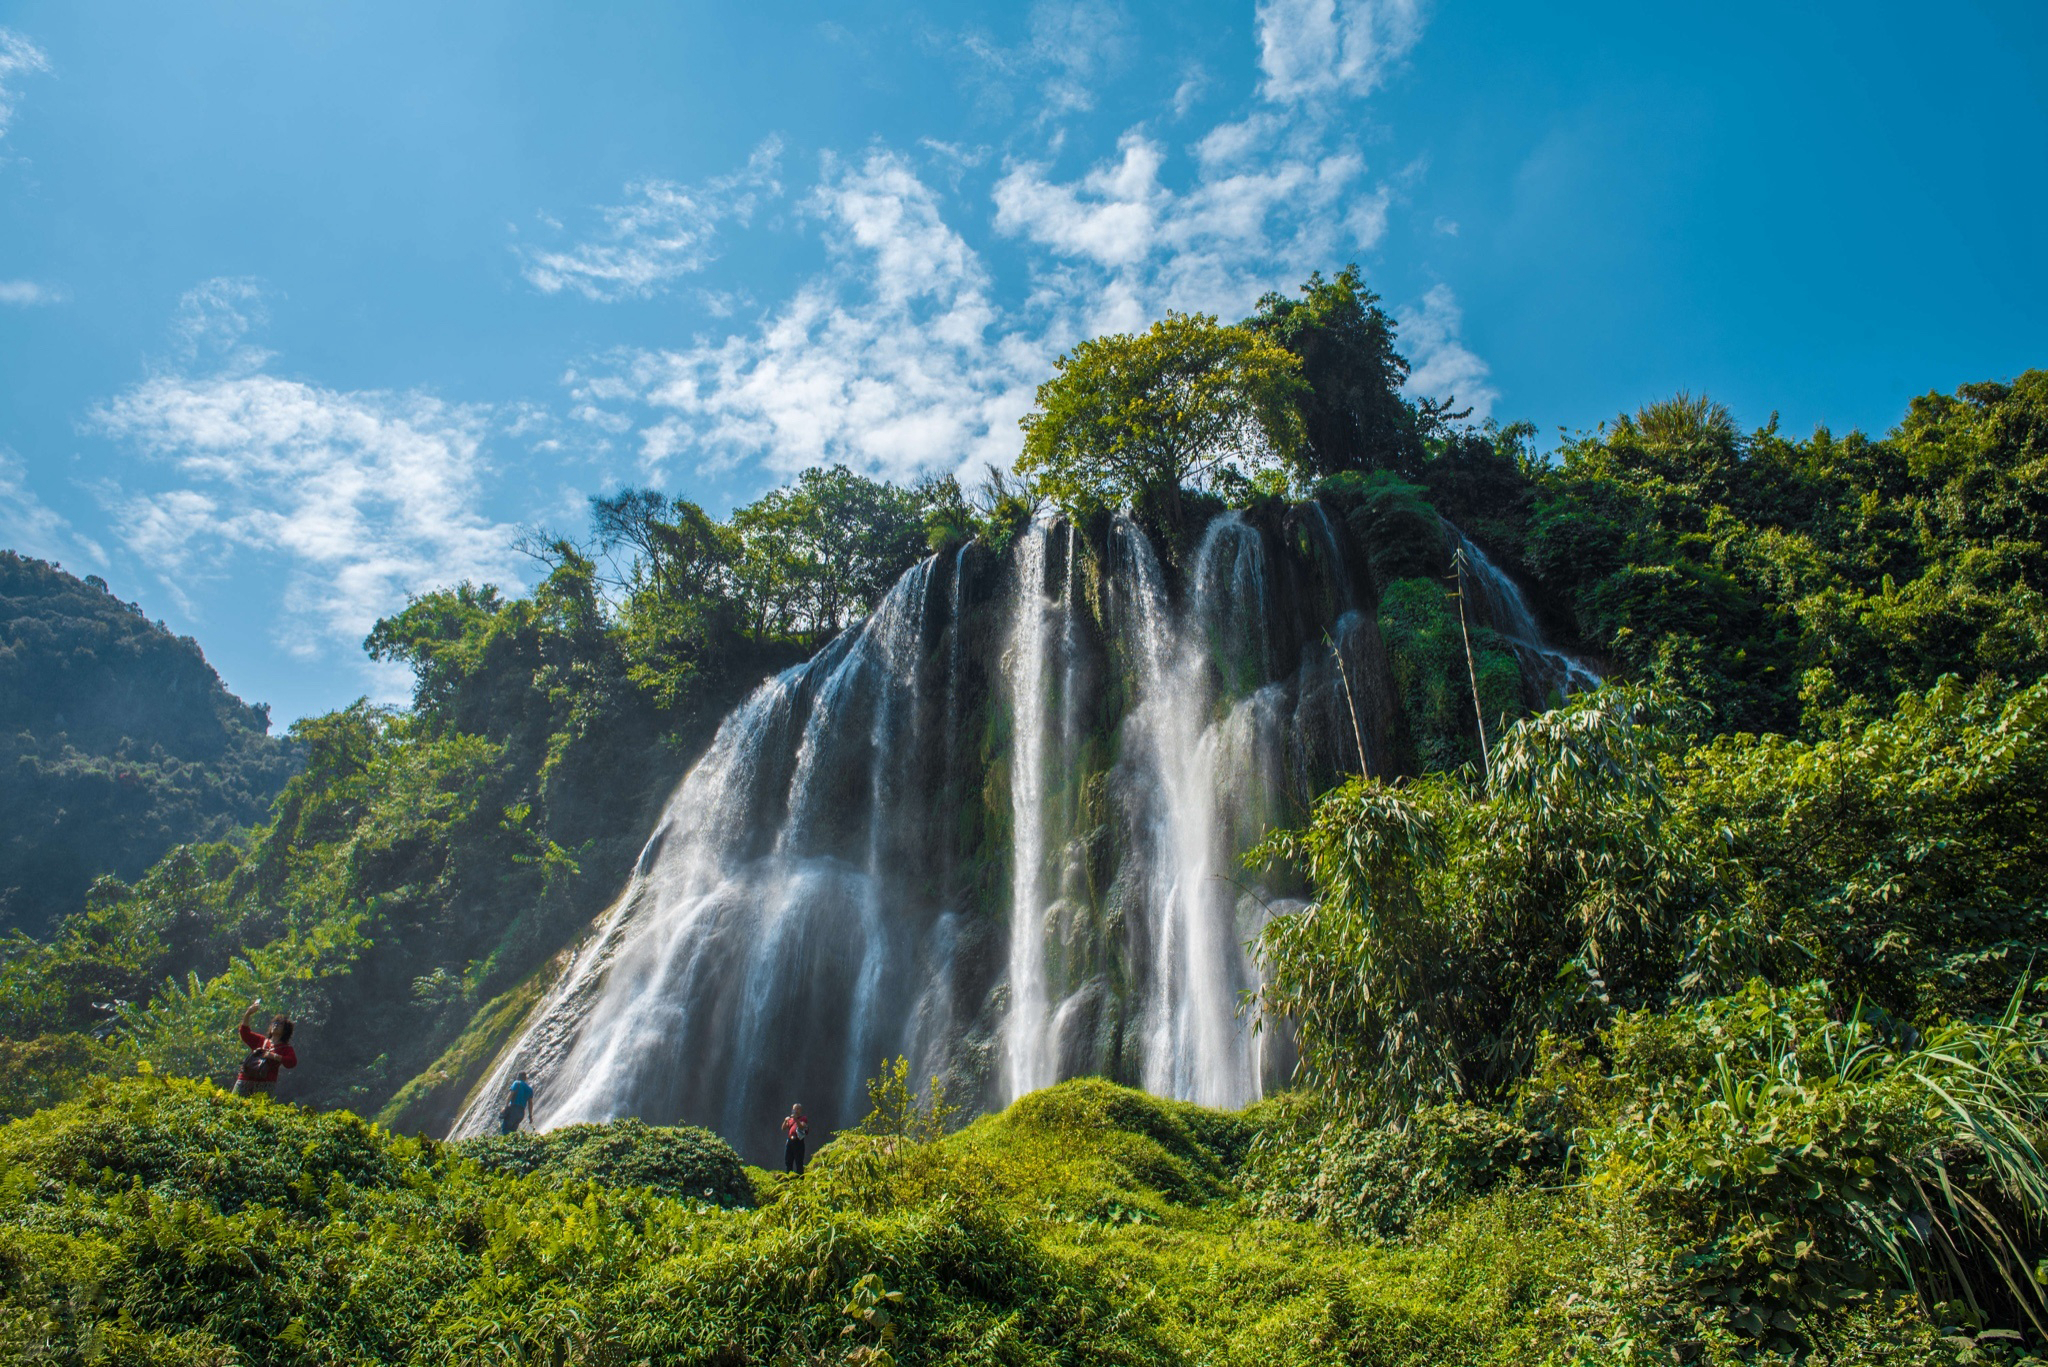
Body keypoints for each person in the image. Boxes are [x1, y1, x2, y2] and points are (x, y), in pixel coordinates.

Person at [232, 998, 296, 1097]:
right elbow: (245, 1033)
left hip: (266, 1083)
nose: (276, 1025)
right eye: (274, 1023)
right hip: (245, 1079)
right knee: (233, 1102)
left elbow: (292, 1062)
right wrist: (248, 1014)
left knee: (260, 1105)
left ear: (285, 1030)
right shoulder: (261, 1040)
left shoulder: (285, 1048)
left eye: (280, 1024)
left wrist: (273, 1056)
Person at [782, 1102, 810, 1175]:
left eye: (798, 1109)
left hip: (798, 1141)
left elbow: (802, 1127)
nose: (796, 1110)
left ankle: (800, 1178)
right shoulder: (790, 1119)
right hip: (790, 1141)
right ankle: (788, 1177)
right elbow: (783, 1128)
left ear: (800, 1110)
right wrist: (785, 1120)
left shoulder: (803, 1118)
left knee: (799, 1161)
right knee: (788, 1160)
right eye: (795, 1109)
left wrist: (796, 1119)